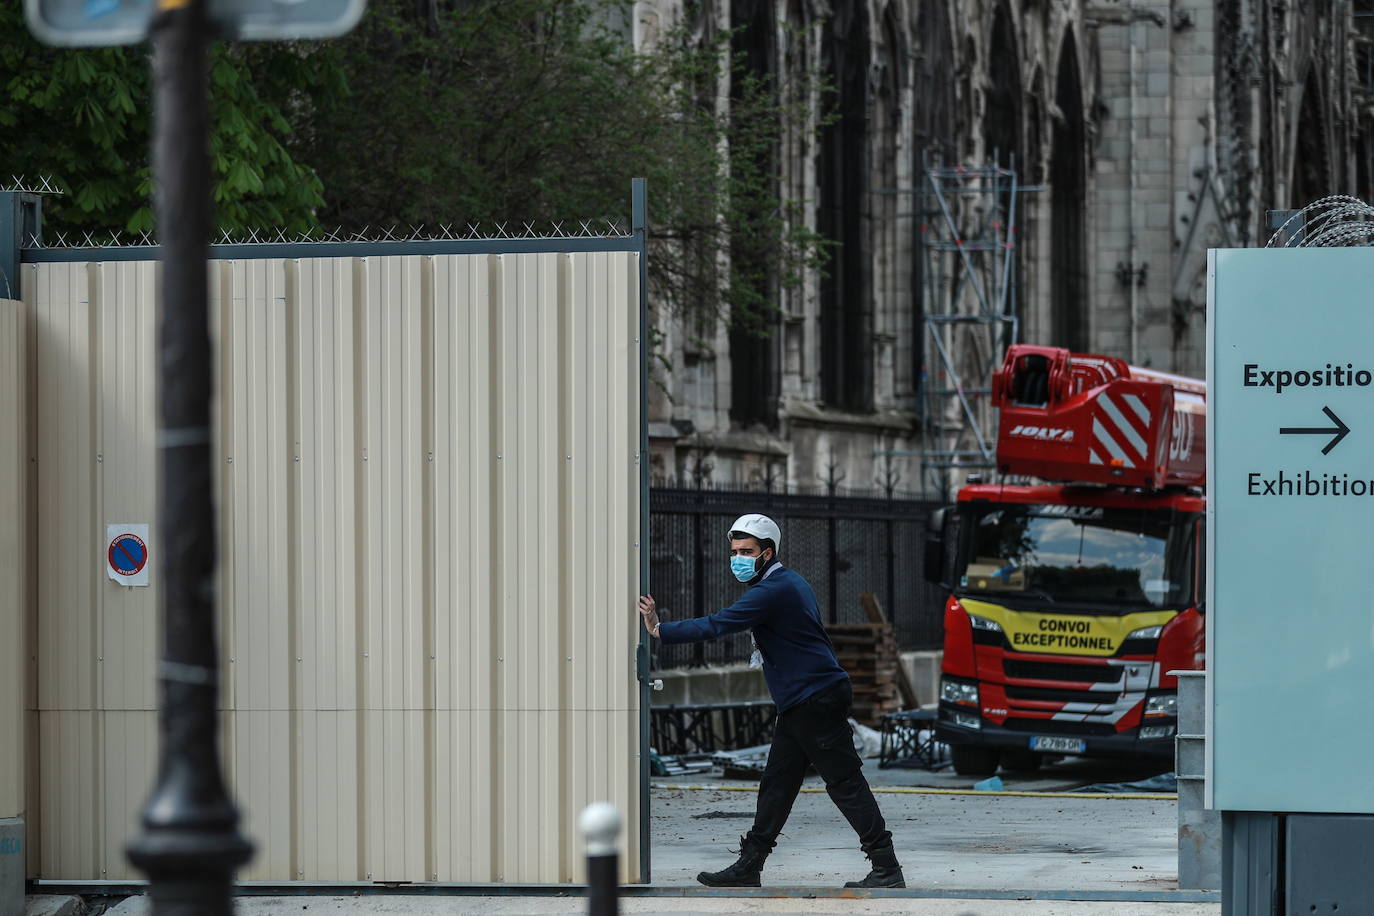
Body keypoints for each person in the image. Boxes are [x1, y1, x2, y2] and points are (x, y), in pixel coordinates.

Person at [637, 513, 905, 889]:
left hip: (814, 699)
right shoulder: (786, 582)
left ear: (767, 553)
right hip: (804, 701)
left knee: (844, 782)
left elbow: (720, 622)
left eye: (746, 551)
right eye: (734, 551)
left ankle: (886, 867)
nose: (738, 558)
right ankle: (750, 865)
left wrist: (660, 629)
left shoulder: (773, 590)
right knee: (777, 784)